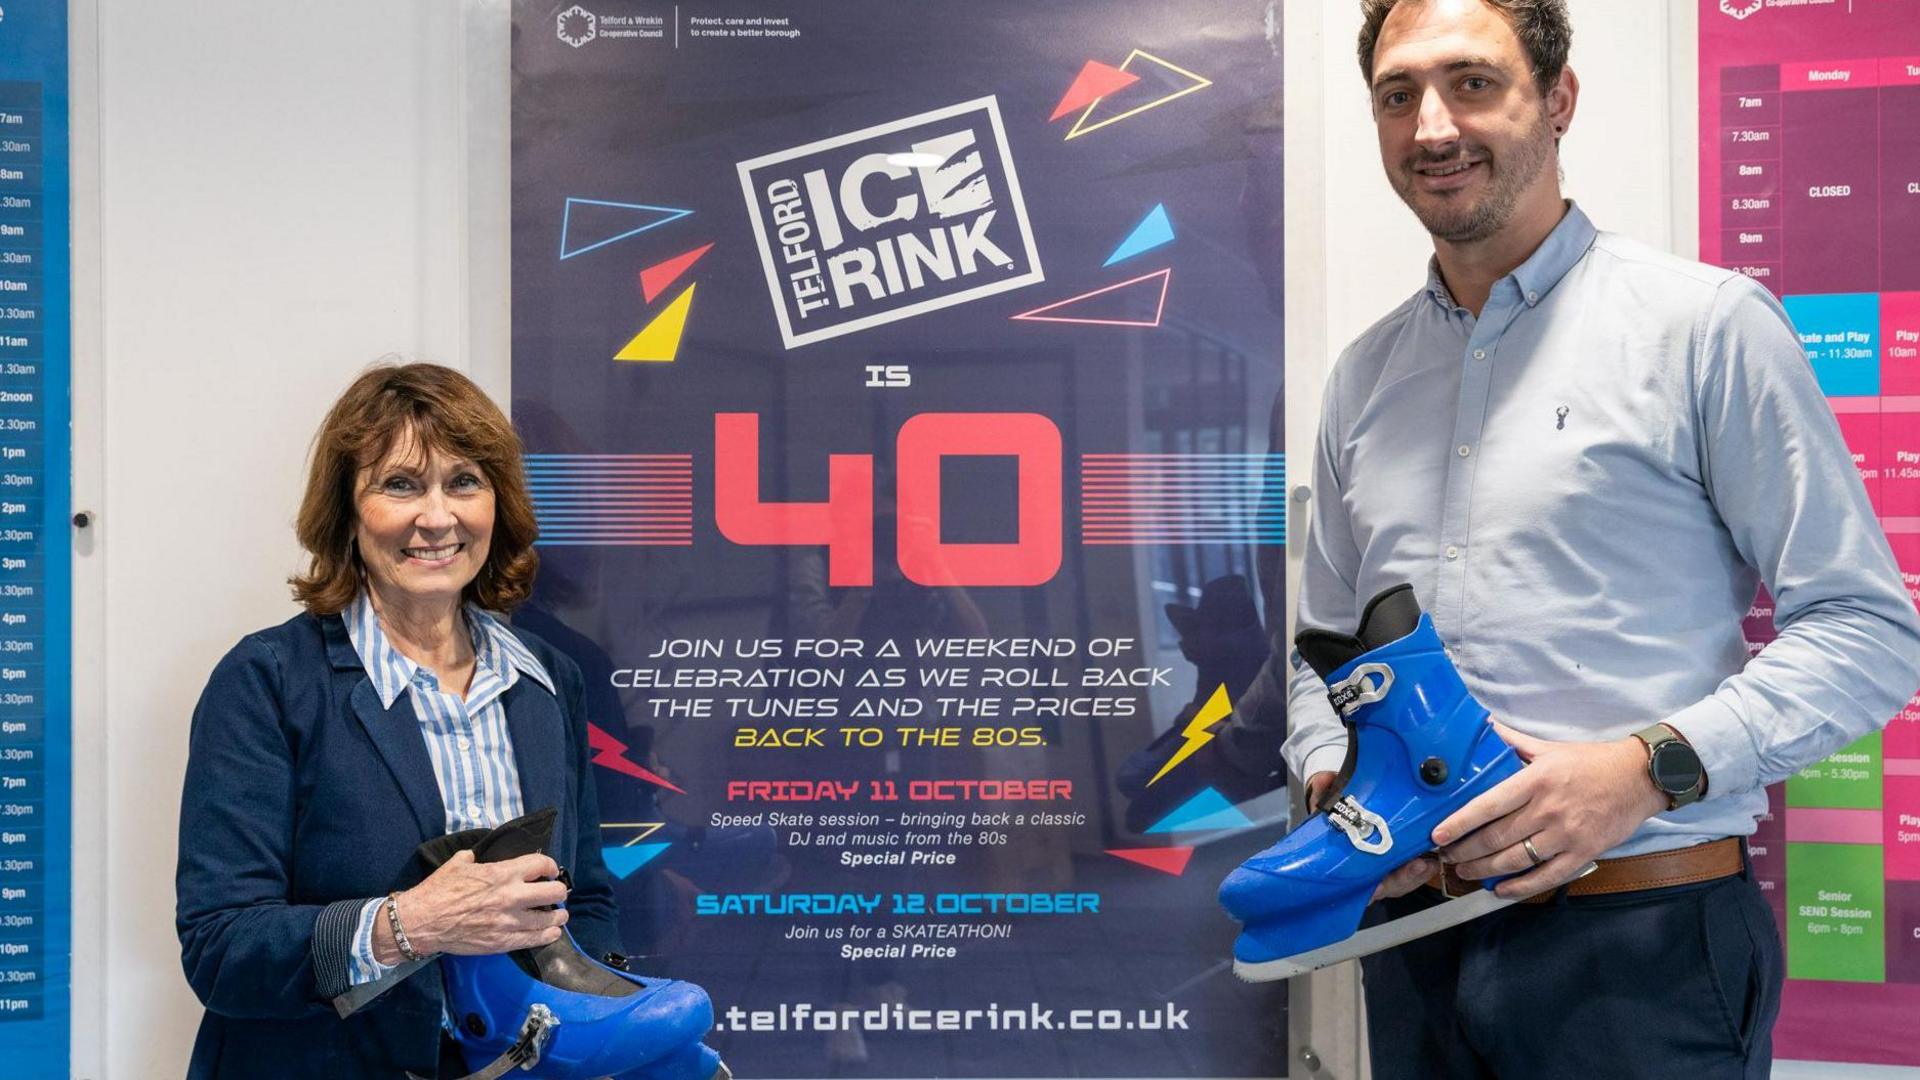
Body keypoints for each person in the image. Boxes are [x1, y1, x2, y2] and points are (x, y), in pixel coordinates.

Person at [1282, 1, 1920, 1076]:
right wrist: (1328, 780)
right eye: (1399, 95)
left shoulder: (1706, 328)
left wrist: (1643, 768)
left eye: (1473, 82)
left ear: (1559, 97)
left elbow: (1867, 631)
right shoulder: (1364, 379)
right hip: (1407, 951)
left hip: (1643, 947)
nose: (1432, 124)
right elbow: (1327, 650)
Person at [175, 363, 623, 1077]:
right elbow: (221, 948)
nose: (438, 517)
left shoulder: (549, 679)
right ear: (347, 515)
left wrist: (582, 1027)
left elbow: (588, 897)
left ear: (498, 503)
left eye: (464, 482)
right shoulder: (267, 681)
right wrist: (408, 926)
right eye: (401, 485)